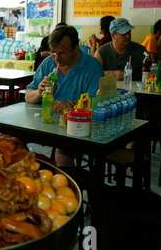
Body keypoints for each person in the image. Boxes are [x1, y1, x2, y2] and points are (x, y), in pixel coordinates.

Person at [25, 25, 104, 167]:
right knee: (14, 142)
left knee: (62, 153)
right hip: (49, 126)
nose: (56, 59)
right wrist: (39, 91)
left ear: (75, 48)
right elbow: (28, 97)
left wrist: (70, 105)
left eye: (62, 53)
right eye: (53, 53)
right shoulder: (48, 63)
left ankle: (68, 187)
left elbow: (96, 103)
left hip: (78, 127)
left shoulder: (92, 67)